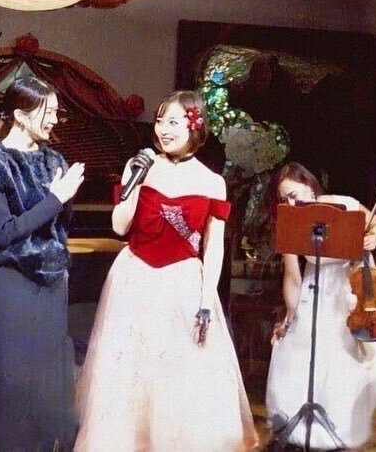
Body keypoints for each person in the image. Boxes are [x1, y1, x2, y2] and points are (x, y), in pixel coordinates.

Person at [75, 90, 258, 451]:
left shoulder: (212, 182)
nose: (163, 130)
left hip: (182, 283)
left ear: (195, 127)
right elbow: (119, 226)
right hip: (135, 277)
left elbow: (214, 247)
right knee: (130, 370)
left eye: (173, 122)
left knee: (178, 373)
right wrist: (136, 182)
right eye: (160, 121)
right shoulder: (139, 165)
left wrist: (206, 301)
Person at [0, 76, 85, 451]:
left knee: (45, 386)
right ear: (19, 114)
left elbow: (62, 225)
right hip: (8, 286)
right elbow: (1, 232)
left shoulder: (54, 161)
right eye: (48, 112)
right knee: (10, 387)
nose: (55, 120)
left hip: (49, 285)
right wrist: (55, 198)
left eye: (57, 112)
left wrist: (61, 201)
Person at [266, 161, 376, 450]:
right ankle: (305, 426)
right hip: (316, 291)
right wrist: (290, 314)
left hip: (350, 289)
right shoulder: (290, 220)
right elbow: (292, 275)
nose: (291, 203)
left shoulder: (342, 203)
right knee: (303, 349)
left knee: (346, 354)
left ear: (309, 186)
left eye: (294, 195)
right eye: (284, 199)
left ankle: (346, 426)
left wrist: (373, 236)